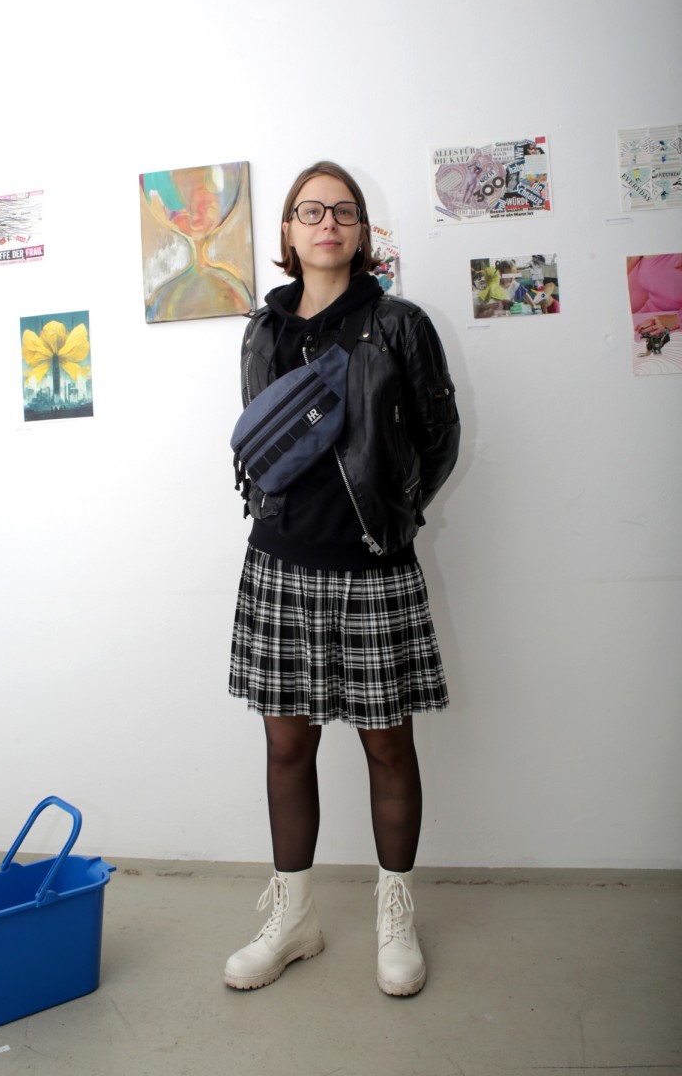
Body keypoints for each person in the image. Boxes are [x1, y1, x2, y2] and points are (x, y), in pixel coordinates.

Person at [225, 160, 460, 997]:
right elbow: (263, 438)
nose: (327, 223)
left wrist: (394, 515)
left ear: (361, 233)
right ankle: (294, 917)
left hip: (372, 566)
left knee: (387, 744)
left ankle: (395, 913)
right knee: (287, 745)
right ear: (288, 232)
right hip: (278, 563)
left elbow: (439, 438)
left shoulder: (398, 324)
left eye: (344, 212)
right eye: (311, 210)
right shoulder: (262, 331)